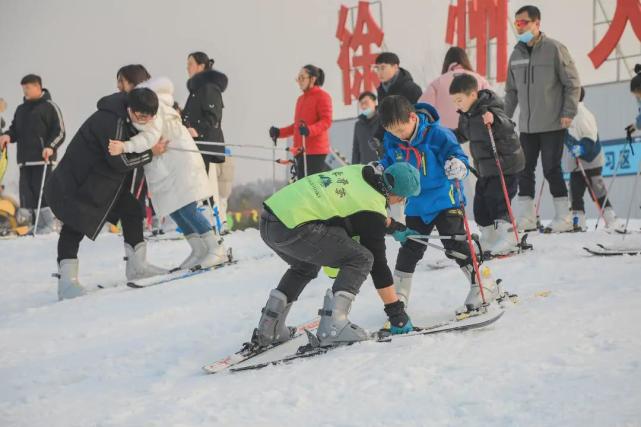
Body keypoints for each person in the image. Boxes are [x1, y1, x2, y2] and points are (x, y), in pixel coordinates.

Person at [252, 162, 420, 349]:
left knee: (305, 265)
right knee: (362, 258)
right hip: (292, 229)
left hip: (271, 220)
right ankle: (333, 327)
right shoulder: (372, 209)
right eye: (404, 198)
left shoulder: (361, 171)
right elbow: (378, 265)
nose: (402, 202)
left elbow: (358, 209)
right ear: (396, 194)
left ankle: (269, 327)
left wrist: (392, 226)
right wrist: (396, 313)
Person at [377, 95, 502, 313]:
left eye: (400, 130)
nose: (398, 136)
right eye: (392, 132)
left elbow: (458, 156)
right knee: (410, 247)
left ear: (413, 117)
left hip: (445, 198)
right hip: (416, 202)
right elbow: (388, 162)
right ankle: (399, 296)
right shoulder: (392, 140)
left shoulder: (438, 134)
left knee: (456, 245)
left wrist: (458, 165)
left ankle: (483, 284)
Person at [44, 90, 169, 301]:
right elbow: (118, 162)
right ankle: (67, 283)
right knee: (73, 226)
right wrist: (150, 153)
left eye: (149, 117)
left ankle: (137, 266)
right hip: (77, 183)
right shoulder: (111, 122)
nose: (144, 121)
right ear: (130, 109)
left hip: (99, 182)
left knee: (131, 209)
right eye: (140, 116)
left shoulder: (127, 117)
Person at [109, 80, 227, 270]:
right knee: (176, 210)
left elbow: (148, 139)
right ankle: (198, 249)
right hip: (167, 170)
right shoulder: (151, 109)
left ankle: (215, 247)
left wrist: (124, 146)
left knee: (188, 208)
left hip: (180, 168)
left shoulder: (156, 111)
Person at [504, 5, 581, 233]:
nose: (519, 27)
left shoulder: (554, 49)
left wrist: (568, 112)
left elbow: (572, 83)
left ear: (537, 23)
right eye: (517, 23)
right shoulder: (515, 54)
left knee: (551, 169)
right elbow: (511, 92)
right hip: (527, 126)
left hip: (552, 123)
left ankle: (563, 218)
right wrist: (503, 119)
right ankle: (527, 218)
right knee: (524, 170)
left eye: (524, 22)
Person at [450, 74, 525, 256]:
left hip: (505, 165)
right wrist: (444, 135)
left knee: (497, 200)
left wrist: (495, 120)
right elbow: (462, 134)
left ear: (473, 95)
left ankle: (509, 237)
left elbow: (508, 125)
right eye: (454, 102)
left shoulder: (489, 108)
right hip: (485, 169)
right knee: (480, 205)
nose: (457, 105)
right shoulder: (466, 116)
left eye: (460, 100)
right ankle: (489, 238)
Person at [0, 74, 65, 233]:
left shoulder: (50, 106)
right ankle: (35, 225)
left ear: (38, 87)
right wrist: (8, 135)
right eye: (23, 89)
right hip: (24, 161)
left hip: (43, 160)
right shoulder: (21, 109)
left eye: (28, 88)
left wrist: (50, 147)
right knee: (27, 195)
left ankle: (51, 224)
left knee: (43, 193)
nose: (25, 92)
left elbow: (60, 132)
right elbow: (15, 129)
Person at [564, 87, 623, 232]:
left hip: (591, 160)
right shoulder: (568, 114)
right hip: (577, 163)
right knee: (575, 192)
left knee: (597, 190)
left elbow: (590, 137)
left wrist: (581, 149)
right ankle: (579, 221)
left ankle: (611, 219)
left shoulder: (583, 114)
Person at [182, 52, 229, 232]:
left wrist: (197, 129)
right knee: (196, 180)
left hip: (205, 142)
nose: (187, 67)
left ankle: (208, 221)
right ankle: (201, 220)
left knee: (200, 180)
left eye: (191, 63)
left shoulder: (209, 87)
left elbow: (214, 116)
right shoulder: (197, 90)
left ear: (201, 66)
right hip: (195, 143)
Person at [269, 64, 332, 179]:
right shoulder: (300, 99)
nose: (299, 81)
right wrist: (279, 132)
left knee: (312, 188)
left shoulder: (323, 96)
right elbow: (297, 126)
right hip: (299, 151)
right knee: (302, 188)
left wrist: (309, 130)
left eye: (302, 78)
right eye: (298, 78)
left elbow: (326, 121)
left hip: (315, 152)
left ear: (313, 79)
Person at [421, 47, 490, 130]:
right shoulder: (480, 80)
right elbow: (491, 105)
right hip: (476, 133)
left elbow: (422, 109)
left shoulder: (437, 83)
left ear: (446, 62)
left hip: (446, 135)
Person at [351, 91, 380, 164]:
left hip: (383, 165)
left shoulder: (383, 121)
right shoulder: (358, 125)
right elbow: (356, 150)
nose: (364, 106)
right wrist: (353, 167)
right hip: (366, 168)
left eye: (366, 103)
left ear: (375, 102)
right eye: (361, 104)